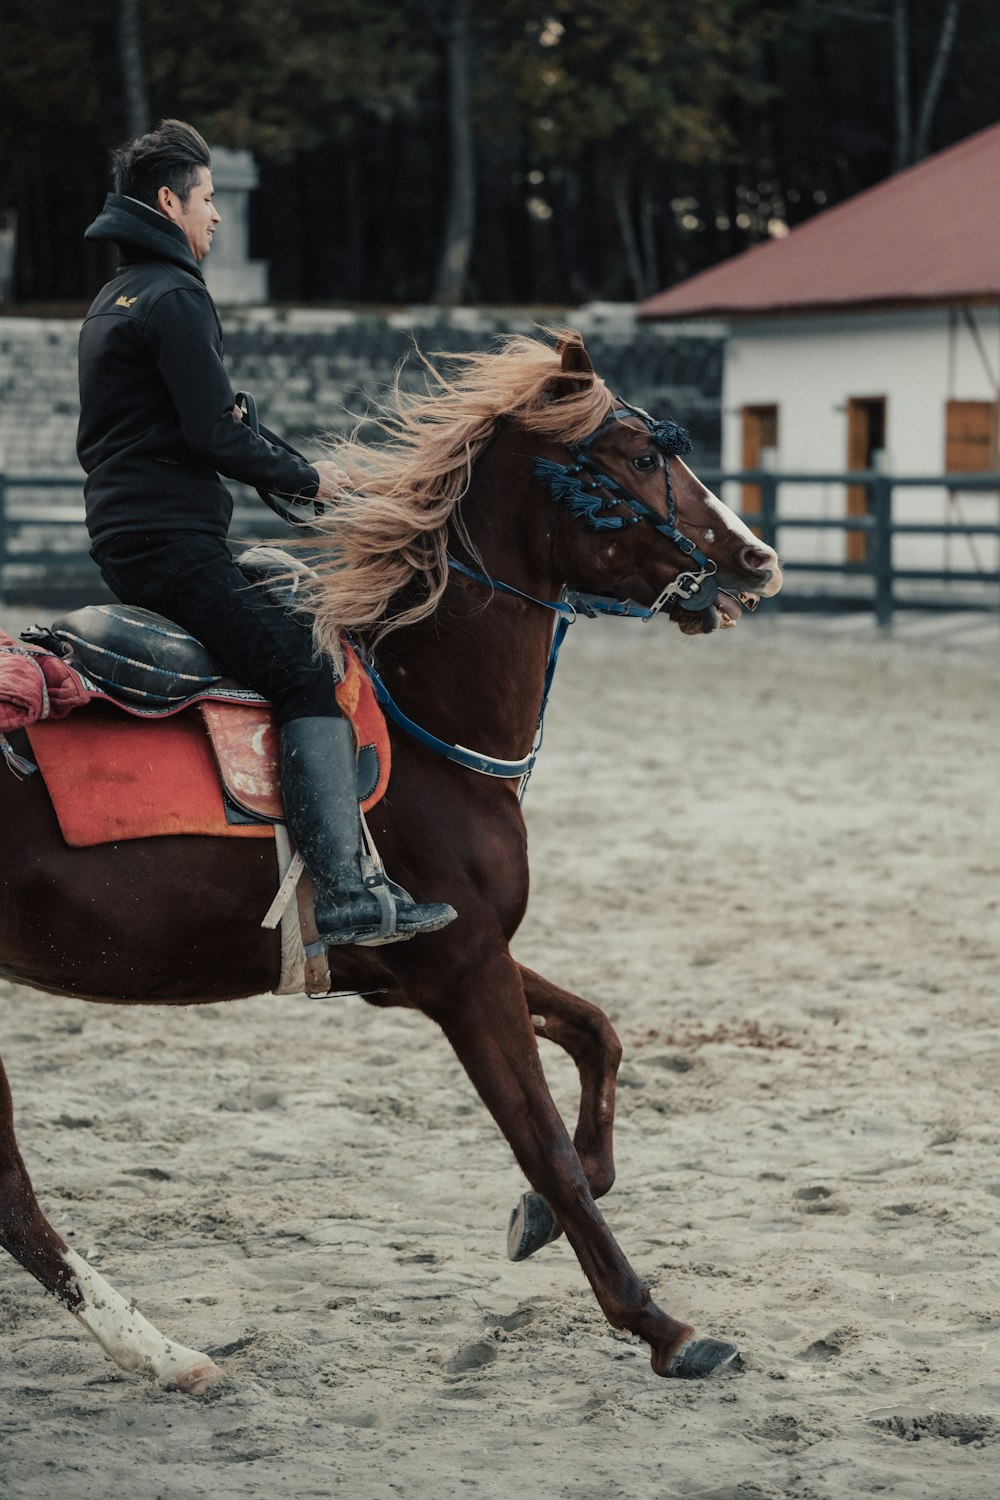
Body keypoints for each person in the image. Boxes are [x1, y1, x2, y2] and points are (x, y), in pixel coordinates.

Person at [77, 118, 455, 947]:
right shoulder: (176, 297)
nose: (216, 217)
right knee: (301, 670)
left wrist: (291, 464)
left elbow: (213, 424)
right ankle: (346, 897)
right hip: (170, 544)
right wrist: (316, 478)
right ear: (170, 200)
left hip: (142, 537)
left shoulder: (119, 296)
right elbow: (216, 435)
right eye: (207, 199)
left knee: (293, 612)